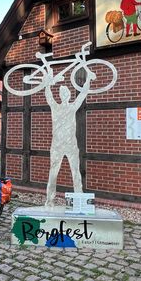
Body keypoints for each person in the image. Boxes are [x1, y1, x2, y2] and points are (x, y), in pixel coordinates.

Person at [44, 69, 95, 207]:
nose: (65, 95)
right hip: (57, 146)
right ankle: (49, 201)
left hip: (71, 145)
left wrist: (89, 79)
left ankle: (80, 201)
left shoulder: (72, 107)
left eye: (67, 93)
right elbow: (48, 96)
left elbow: (83, 94)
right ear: (60, 95)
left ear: (69, 95)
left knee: (76, 172)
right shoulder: (55, 107)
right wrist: (48, 84)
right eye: (63, 93)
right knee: (53, 173)